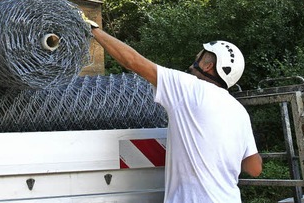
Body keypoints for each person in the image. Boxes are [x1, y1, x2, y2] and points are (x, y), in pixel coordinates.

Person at [87, 22, 262, 202]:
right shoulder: (239, 111)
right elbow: (254, 168)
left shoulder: (189, 88)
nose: (195, 57)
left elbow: (133, 62)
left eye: (200, 56)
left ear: (208, 65)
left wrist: (94, 31)